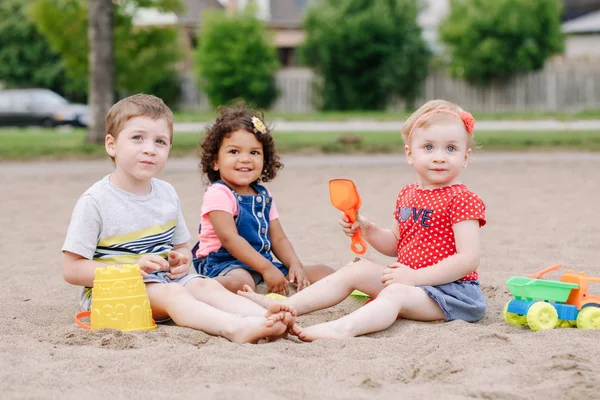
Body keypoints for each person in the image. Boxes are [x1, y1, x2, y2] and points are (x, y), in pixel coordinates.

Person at [239, 99, 487, 341]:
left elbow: (468, 259)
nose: (439, 157)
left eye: (451, 148)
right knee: (356, 269)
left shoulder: (462, 199)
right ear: (410, 154)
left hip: (451, 294)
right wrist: (367, 228)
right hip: (410, 283)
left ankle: (342, 329)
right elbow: (395, 244)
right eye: (429, 147)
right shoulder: (408, 194)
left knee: (395, 293)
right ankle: (287, 307)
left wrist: (415, 278)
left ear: (465, 156)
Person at [62, 94, 296, 344]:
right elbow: (72, 269)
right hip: (114, 293)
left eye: (160, 141)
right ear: (111, 144)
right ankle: (234, 327)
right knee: (174, 293)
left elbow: (181, 248)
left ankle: (266, 317)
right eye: (137, 138)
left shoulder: (166, 193)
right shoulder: (96, 201)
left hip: (164, 280)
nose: (150, 149)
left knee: (207, 286)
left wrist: (181, 260)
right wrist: (131, 271)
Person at [193, 101, 333, 295]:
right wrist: (267, 269)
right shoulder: (219, 193)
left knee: (323, 272)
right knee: (241, 283)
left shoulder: (262, 195)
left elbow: (278, 238)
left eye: (254, 152)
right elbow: (229, 239)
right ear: (215, 161)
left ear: (264, 159)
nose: (245, 159)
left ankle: (355, 287)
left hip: (262, 263)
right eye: (234, 151)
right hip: (225, 263)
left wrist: (294, 265)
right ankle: (197, 290)